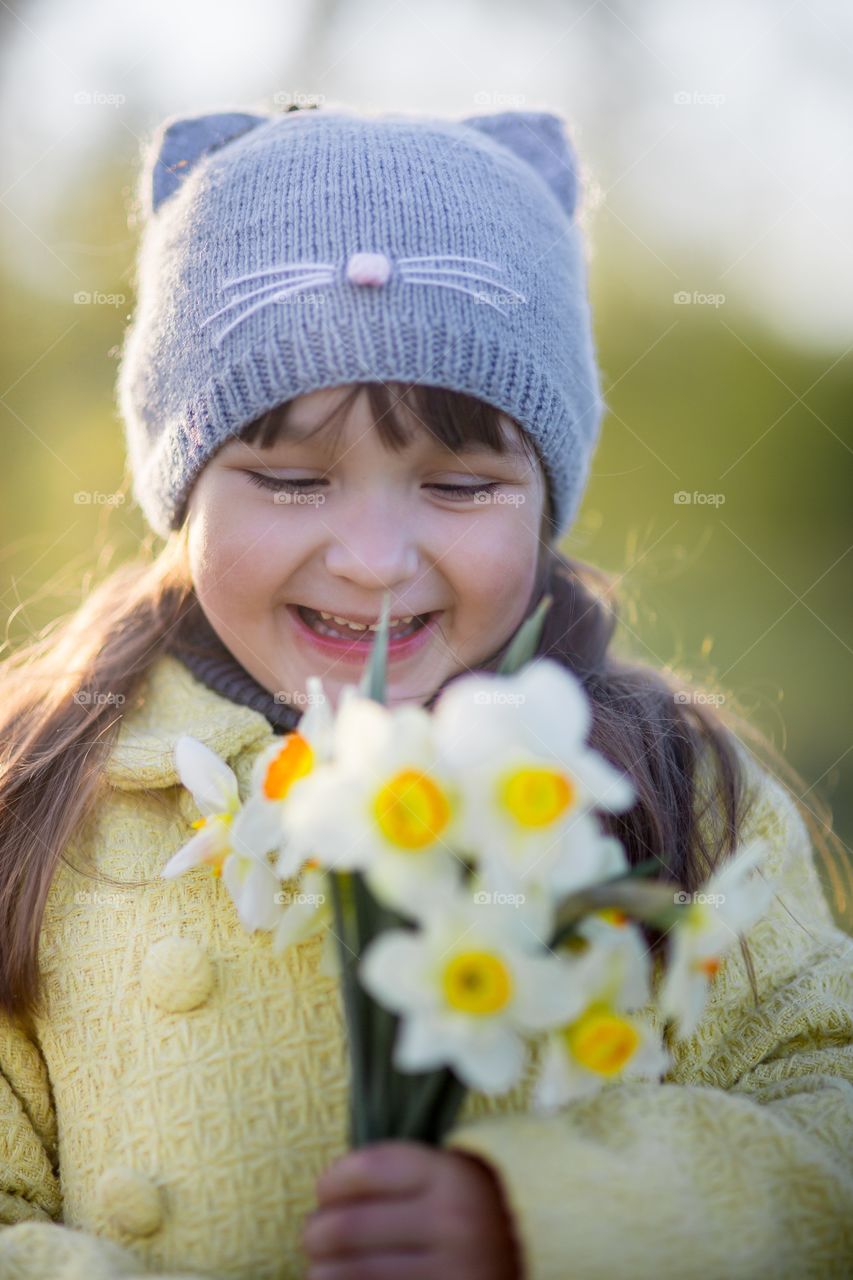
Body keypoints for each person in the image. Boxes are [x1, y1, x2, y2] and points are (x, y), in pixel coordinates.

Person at [0, 103, 850, 1280]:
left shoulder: (666, 791)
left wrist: (548, 1211)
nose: (373, 559)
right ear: (181, 489)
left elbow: (827, 1104)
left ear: (544, 502)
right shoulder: (46, 787)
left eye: (458, 486)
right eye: (289, 478)